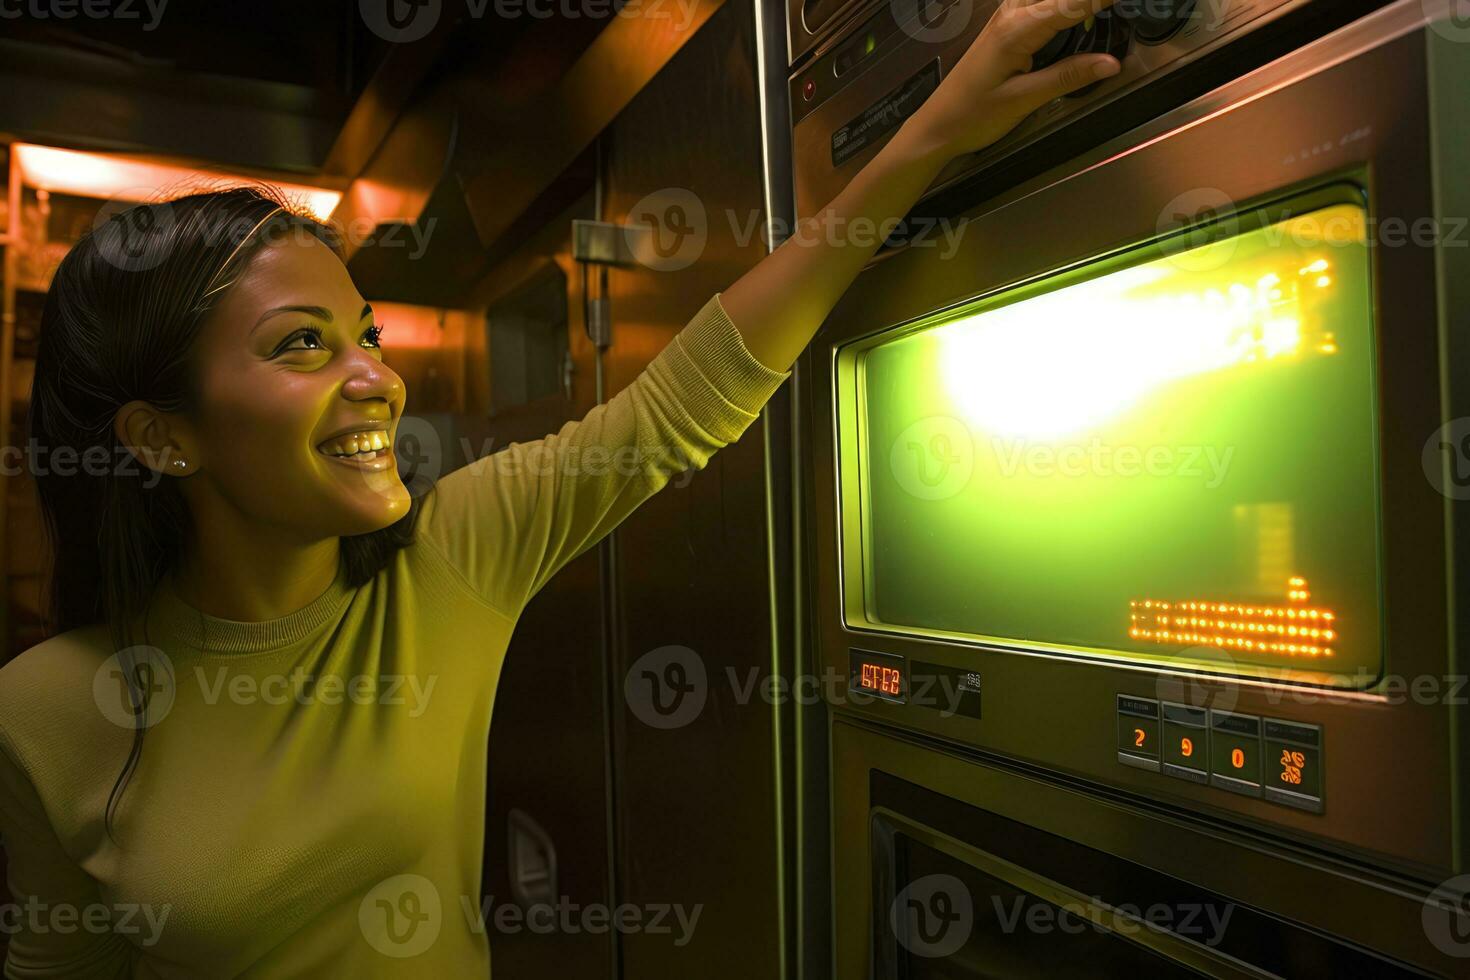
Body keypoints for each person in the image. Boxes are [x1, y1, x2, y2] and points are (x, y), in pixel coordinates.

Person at [0, 2, 1120, 975]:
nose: (375, 379)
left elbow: (678, 406)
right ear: (160, 437)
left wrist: (933, 128)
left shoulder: (451, 560)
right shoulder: (45, 707)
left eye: (368, 334)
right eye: (302, 344)